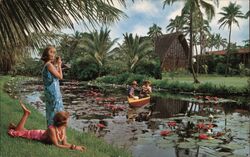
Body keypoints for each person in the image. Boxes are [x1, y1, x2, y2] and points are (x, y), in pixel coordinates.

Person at [8, 101, 86, 151]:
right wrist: (74, 147)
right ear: (62, 122)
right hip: (36, 134)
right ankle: (26, 114)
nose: (68, 122)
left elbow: (64, 143)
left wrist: (77, 146)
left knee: (21, 130)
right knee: (17, 132)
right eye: (66, 120)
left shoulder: (63, 128)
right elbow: (57, 145)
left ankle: (15, 126)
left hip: (42, 133)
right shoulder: (52, 129)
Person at [41, 46, 64, 127]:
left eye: (54, 52)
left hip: (50, 92)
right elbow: (60, 77)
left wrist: (57, 64)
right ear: (46, 54)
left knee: (51, 112)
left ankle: (52, 132)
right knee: (56, 113)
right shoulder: (49, 65)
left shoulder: (47, 65)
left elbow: (55, 75)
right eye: (51, 52)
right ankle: (54, 133)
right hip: (53, 93)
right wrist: (60, 65)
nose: (53, 54)